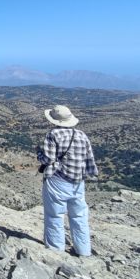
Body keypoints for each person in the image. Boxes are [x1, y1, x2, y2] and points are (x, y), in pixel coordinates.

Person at [37, 104, 98, 257]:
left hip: (58, 180)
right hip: (78, 182)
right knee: (79, 216)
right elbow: (89, 158)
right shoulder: (82, 135)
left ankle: (56, 252)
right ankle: (84, 251)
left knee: (54, 216)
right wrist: (90, 173)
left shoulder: (53, 135)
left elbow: (48, 159)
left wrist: (39, 154)